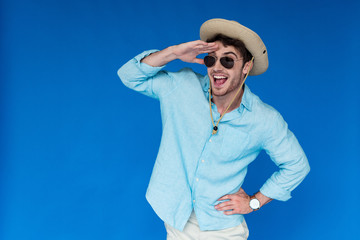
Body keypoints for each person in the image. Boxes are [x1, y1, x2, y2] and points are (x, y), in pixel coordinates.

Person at [117, 18, 310, 240]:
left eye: (228, 61)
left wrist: (254, 202)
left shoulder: (264, 119)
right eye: (211, 60)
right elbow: (129, 75)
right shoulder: (181, 86)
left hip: (223, 227)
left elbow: (297, 165)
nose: (217, 68)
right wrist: (172, 53)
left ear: (246, 67)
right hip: (176, 217)